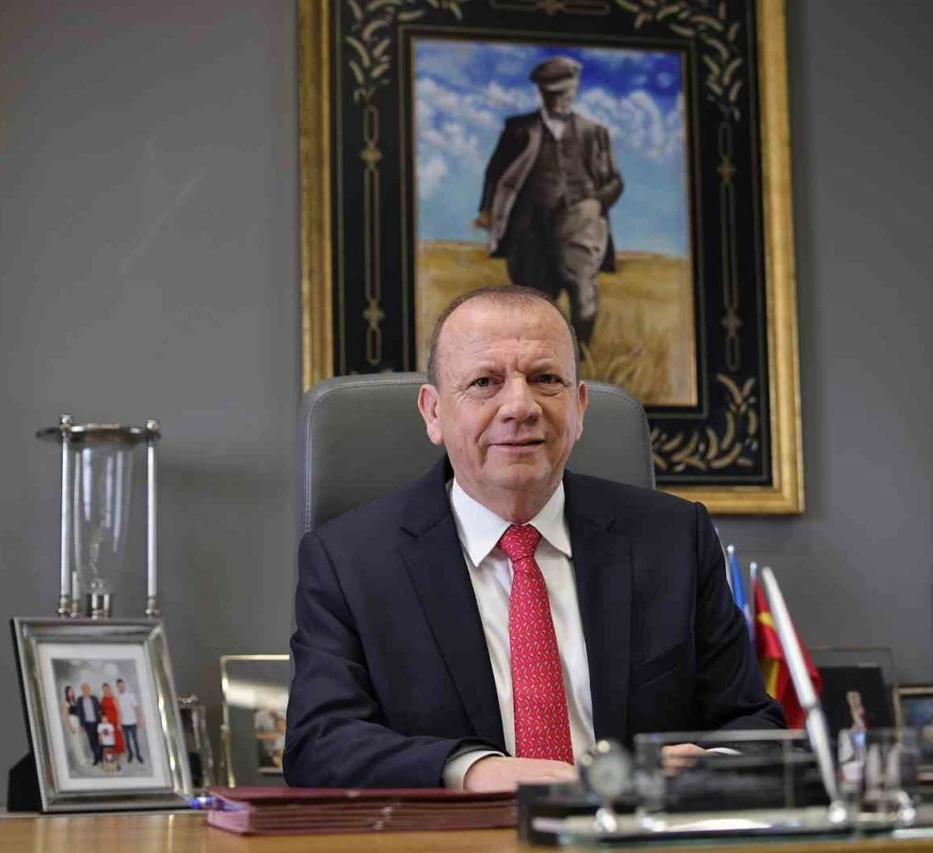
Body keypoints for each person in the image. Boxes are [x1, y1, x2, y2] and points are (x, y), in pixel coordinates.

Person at [285, 285, 783, 791]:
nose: (520, 406)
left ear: (579, 406)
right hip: (458, 831)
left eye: (545, 379)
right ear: (433, 413)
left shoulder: (675, 539)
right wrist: (472, 771)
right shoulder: (349, 560)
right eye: (485, 382)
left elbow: (754, 726)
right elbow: (320, 742)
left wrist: (711, 764)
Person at [472, 57, 624, 353]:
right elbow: (495, 173)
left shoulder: (595, 133)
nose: (560, 100)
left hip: (580, 228)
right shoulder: (518, 129)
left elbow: (615, 182)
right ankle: (542, 361)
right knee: (535, 300)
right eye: (553, 94)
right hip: (531, 232)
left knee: (583, 292)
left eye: (566, 94)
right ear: (541, 93)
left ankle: (583, 358)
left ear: (574, 91)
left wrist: (595, 203)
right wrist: (487, 210)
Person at [115, 678, 144, 764]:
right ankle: (130, 755)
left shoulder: (130, 695)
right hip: (124, 723)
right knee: (127, 740)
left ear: (124, 685)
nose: (121, 687)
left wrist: (139, 720)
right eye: (119, 686)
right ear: (117, 687)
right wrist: (119, 723)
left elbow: (136, 708)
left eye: (122, 685)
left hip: (133, 722)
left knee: (135, 740)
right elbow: (118, 711)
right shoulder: (117, 698)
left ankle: (138, 755)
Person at [75, 682, 103, 766]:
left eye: (87, 688)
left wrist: (101, 716)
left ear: (89, 689)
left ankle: (101, 756)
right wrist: (81, 725)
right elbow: (79, 713)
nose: (86, 690)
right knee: (92, 741)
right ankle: (96, 757)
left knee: (99, 740)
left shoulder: (94, 698)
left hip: (97, 722)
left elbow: (100, 709)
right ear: (82, 690)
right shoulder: (79, 700)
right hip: (87, 724)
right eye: (84, 689)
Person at [99, 682, 126, 761]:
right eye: (104, 690)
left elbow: (118, 712)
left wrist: (119, 723)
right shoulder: (103, 699)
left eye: (107, 689)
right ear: (103, 690)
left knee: (117, 738)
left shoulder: (114, 699)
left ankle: (119, 755)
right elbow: (102, 711)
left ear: (109, 689)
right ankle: (111, 755)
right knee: (109, 739)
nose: (106, 691)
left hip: (114, 721)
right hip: (107, 723)